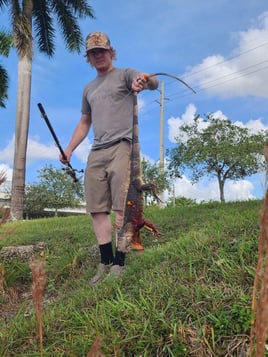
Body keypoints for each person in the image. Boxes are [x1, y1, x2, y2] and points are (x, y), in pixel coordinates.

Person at [60, 32, 158, 285]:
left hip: (123, 147)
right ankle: (104, 262)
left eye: (102, 50)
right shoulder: (89, 88)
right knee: (96, 208)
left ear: (110, 51)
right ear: (89, 58)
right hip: (97, 150)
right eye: (93, 52)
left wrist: (142, 81)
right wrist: (69, 149)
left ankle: (120, 262)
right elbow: (84, 122)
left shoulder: (125, 74)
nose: (98, 55)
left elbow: (153, 81)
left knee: (122, 207)